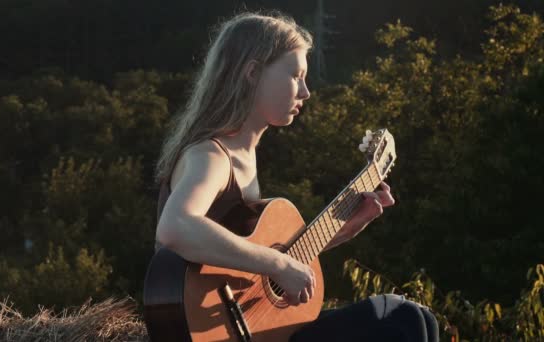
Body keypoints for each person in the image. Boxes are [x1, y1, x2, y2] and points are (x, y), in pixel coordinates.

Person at [153, 11, 439, 342]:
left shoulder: (243, 156)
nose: (306, 91)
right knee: (401, 319)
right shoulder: (212, 156)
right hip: (214, 334)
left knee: (422, 318)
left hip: (252, 328)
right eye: (296, 76)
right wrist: (278, 265)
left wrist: (345, 229)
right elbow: (175, 227)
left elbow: (249, 267)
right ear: (252, 73)